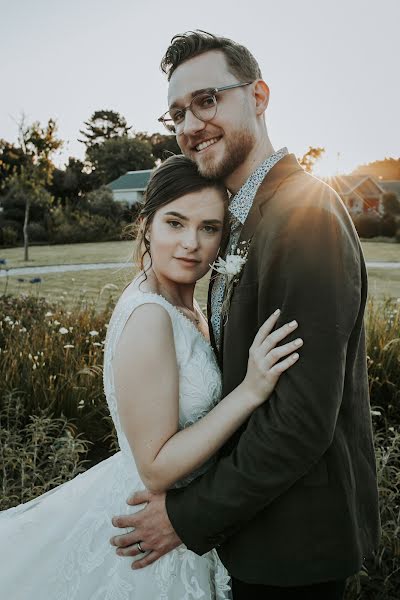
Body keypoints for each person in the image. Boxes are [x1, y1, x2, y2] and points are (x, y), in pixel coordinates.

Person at [110, 31, 380, 600]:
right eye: (177, 113)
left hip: (294, 546)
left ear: (258, 97)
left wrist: (187, 516)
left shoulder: (303, 215)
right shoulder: (243, 216)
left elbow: (302, 419)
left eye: (207, 101)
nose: (190, 125)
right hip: (252, 534)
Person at [0, 155, 302, 599]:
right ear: (147, 225)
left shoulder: (182, 302)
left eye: (209, 228)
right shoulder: (150, 317)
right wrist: (251, 391)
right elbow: (156, 468)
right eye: (175, 223)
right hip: (152, 529)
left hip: (188, 517)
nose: (191, 244)